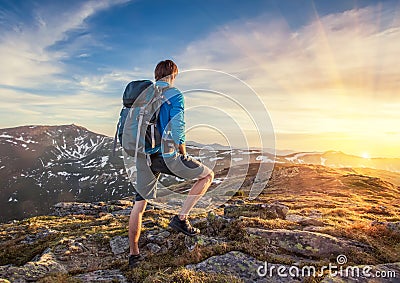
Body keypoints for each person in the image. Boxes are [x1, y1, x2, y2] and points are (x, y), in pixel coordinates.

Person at [128, 60, 214, 268]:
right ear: (174, 75)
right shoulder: (175, 95)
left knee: (139, 206)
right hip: (166, 155)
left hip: (143, 155)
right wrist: (182, 153)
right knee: (207, 175)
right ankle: (181, 218)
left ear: (156, 74)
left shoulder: (144, 96)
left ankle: (134, 255)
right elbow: (178, 128)